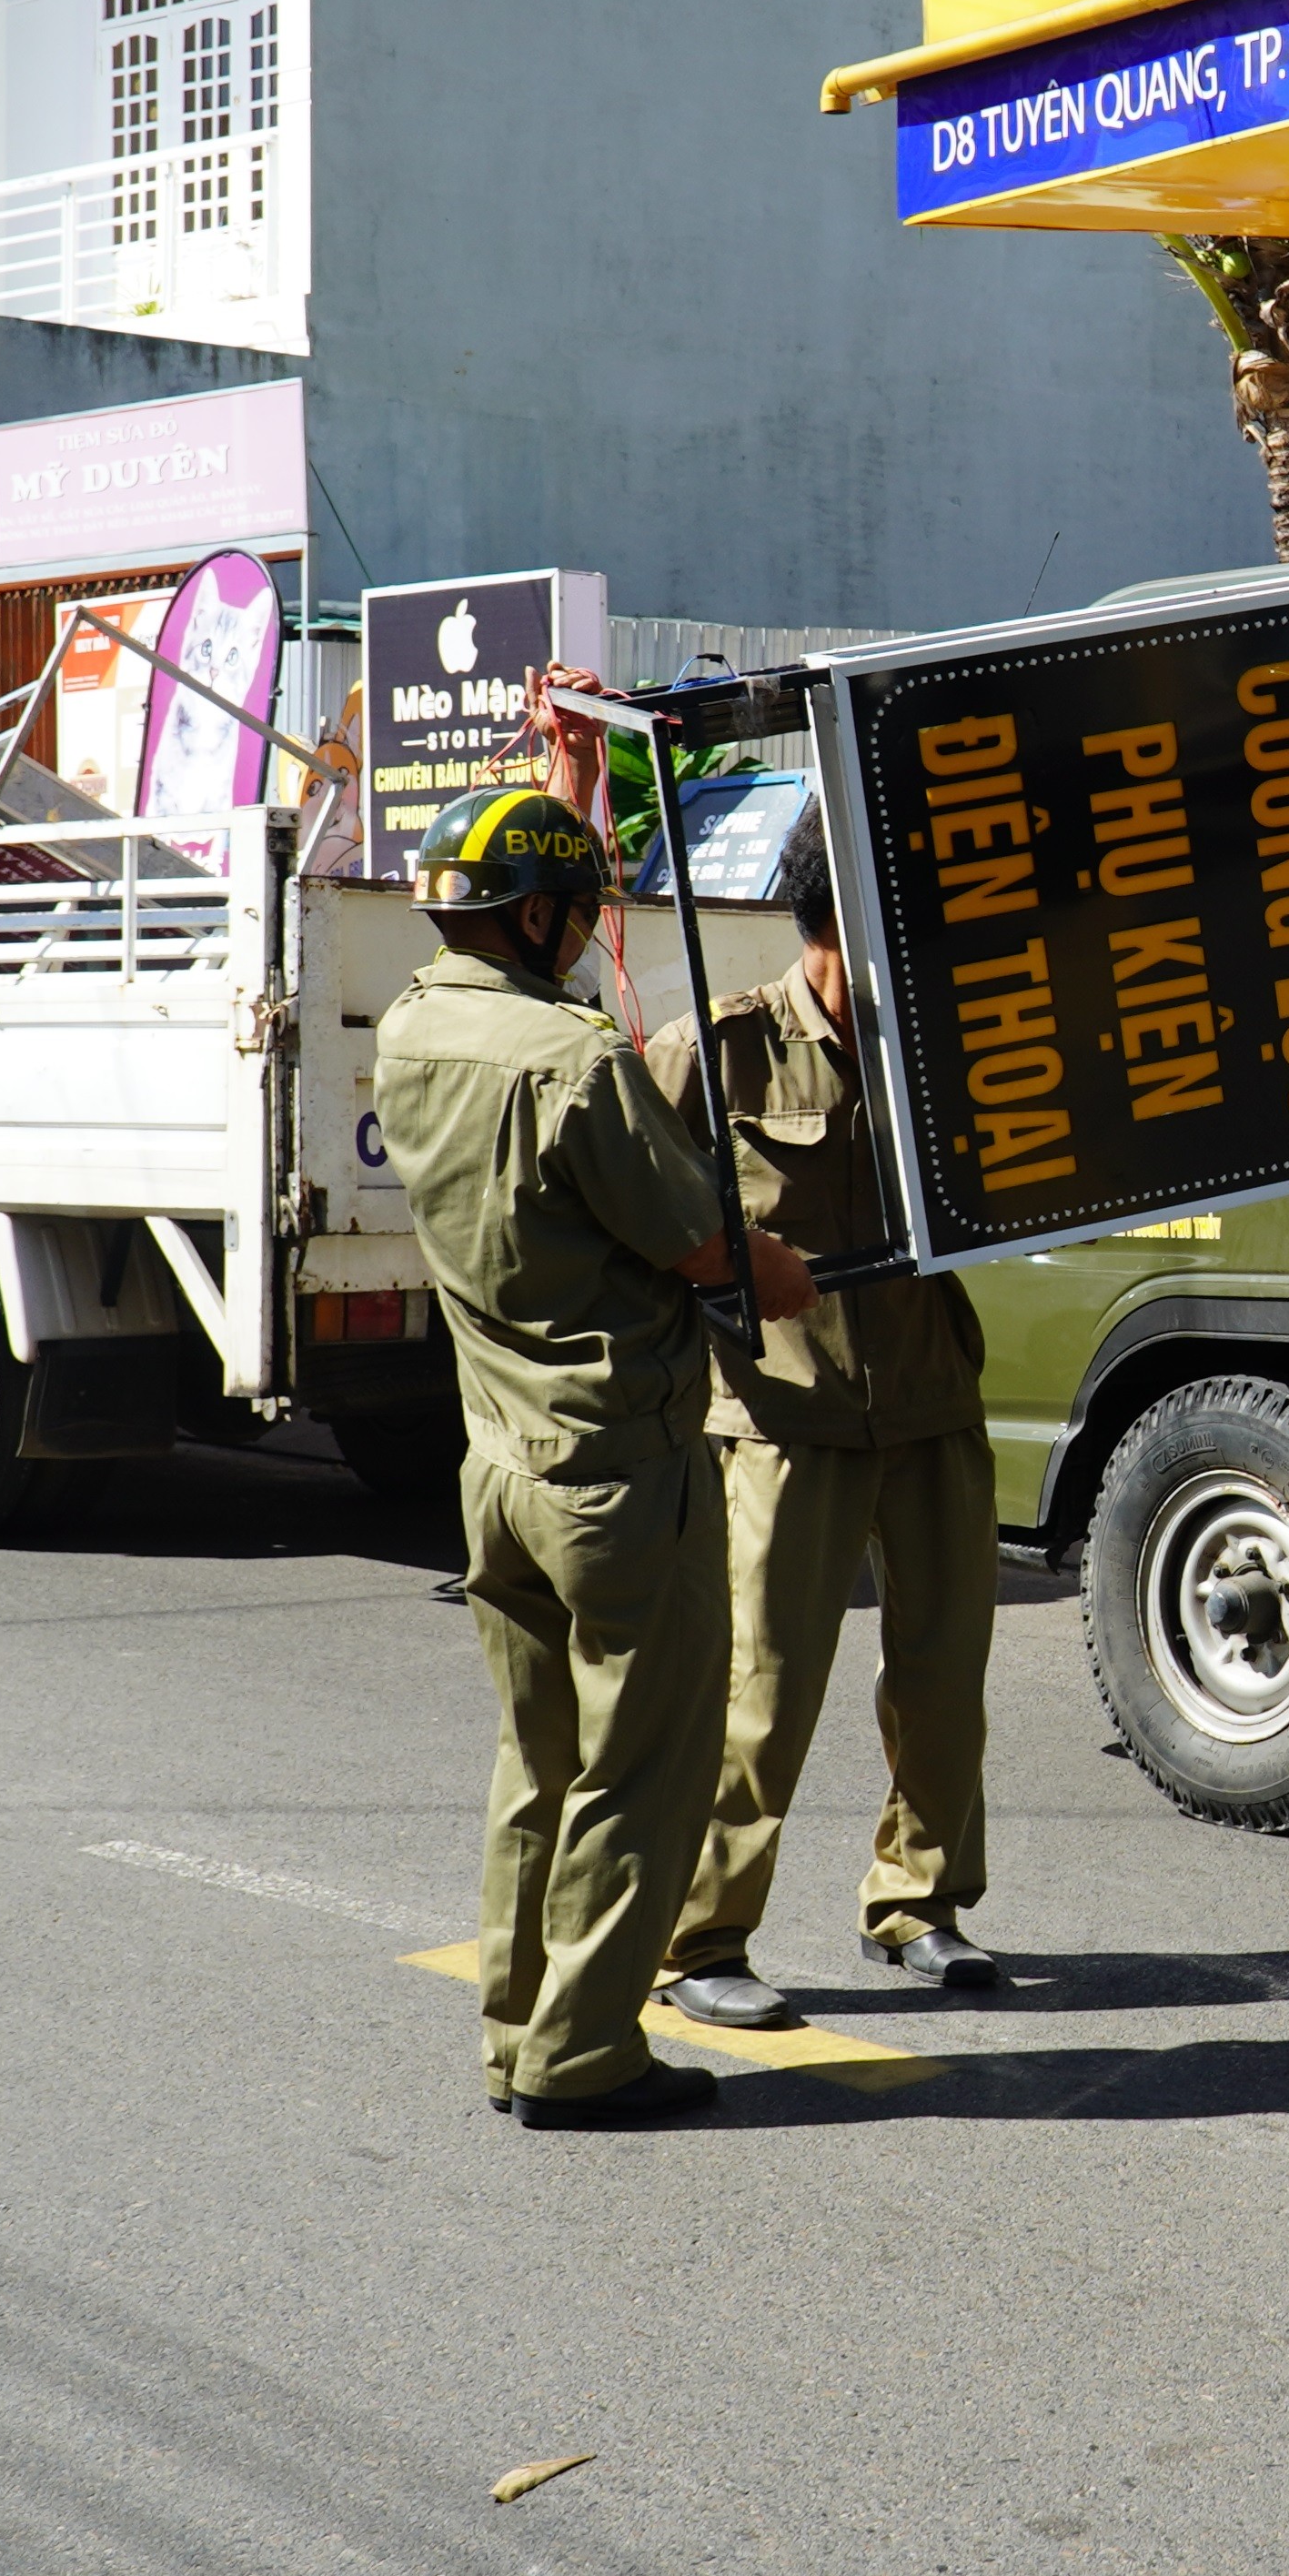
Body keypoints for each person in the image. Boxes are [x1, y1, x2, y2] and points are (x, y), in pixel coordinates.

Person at [373, 781, 810, 2130]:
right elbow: (704, 1245)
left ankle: (518, 2033)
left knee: (537, 1768)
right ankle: (585, 2056)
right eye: (574, 913)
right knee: (642, 1770)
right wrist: (779, 1269)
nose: (581, 937)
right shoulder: (572, 1060)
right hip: (618, 1472)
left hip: (498, 1464)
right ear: (540, 914)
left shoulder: (411, 1030)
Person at [642, 822, 1009, 2026]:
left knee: (946, 1677)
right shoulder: (717, 1050)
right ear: (839, 920)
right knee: (763, 1688)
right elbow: (638, 1229)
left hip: (930, 1398)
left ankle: (919, 1906)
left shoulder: (953, 1046)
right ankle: (702, 1944)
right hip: (783, 1419)